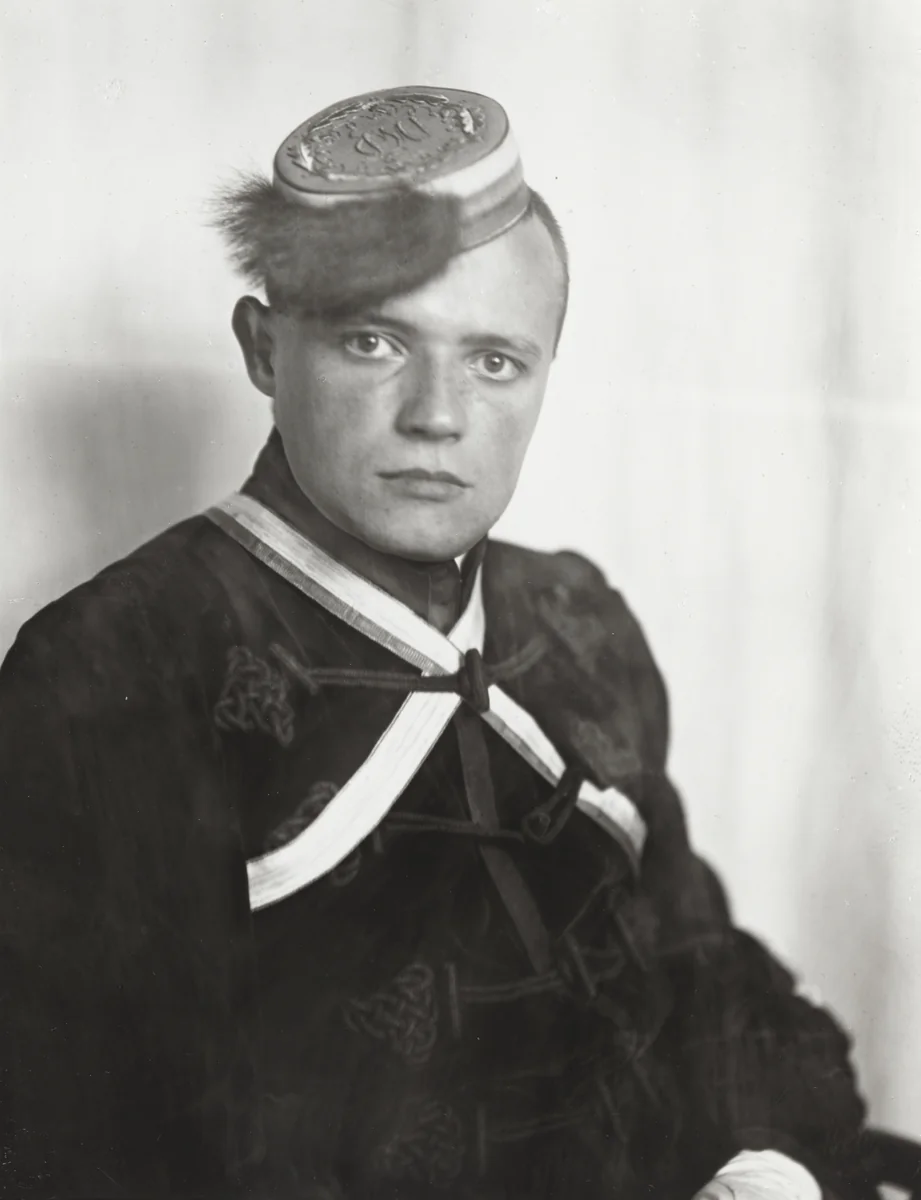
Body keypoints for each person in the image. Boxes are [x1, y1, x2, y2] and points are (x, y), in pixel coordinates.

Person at [0, 86, 873, 1200]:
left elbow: (697, 978)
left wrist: (770, 1169)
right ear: (267, 350)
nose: (438, 415)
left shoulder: (577, 621)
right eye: (374, 342)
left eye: (495, 361)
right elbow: (82, 1145)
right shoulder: (116, 668)